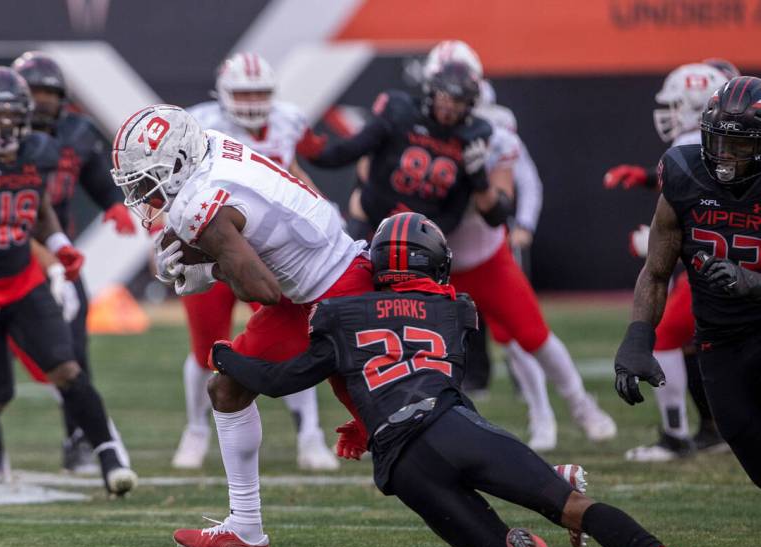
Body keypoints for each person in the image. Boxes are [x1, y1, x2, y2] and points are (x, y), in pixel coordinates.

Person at [192, 212, 742, 547]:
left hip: (404, 462)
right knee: (572, 507)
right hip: (455, 426)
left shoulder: (341, 314)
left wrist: (226, 358)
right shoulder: (456, 312)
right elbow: (428, 370)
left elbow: (286, 377)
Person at [302, 49, 616, 451]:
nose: (447, 104)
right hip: (418, 260)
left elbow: (500, 203)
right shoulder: (402, 114)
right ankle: (394, 423)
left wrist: (480, 178)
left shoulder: (492, 131)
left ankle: (581, 405)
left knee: (531, 334)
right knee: (398, 344)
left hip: (480, 253)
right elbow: (368, 169)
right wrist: (375, 199)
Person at [110, 103, 373, 547]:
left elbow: (264, 290)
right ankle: (246, 528)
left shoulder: (197, 203)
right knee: (228, 389)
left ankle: (521, 477)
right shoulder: (211, 146)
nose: (141, 192)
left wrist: (208, 271)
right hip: (330, 269)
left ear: (174, 165)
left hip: (329, 291)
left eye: (145, 178)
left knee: (403, 431)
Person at [0, 66, 136, 495]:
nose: (7, 125)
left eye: (14, 115)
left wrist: (57, 246)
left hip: (20, 278)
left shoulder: (38, 149)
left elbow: (37, 207)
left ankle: (110, 456)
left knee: (66, 367)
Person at [175, 52, 337, 471]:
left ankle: (310, 434)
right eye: (243, 93)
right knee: (203, 349)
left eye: (259, 92)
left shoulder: (286, 121)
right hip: (211, 245)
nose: (251, 101)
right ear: (223, 93)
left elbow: (293, 171)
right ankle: (195, 430)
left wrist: (320, 205)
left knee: (294, 342)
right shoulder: (198, 123)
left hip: (269, 253)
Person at [615, 75, 761, 491]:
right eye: (718, 141)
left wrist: (752, 283)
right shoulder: (685, 174)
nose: (726, 156)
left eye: (741, 146)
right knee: (744, 438)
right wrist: (637, 338)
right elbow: (656, 270)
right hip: (719, 339)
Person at [11, 51, 137, 474]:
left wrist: (112, 206)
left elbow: (96, 176)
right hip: (5, 253)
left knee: (73, 352)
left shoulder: (77, 132)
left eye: (50, 92)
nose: (42, 100)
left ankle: (79, 439)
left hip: (56, 255)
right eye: (34, 91)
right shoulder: (3, 137)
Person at [606, 62, 731, 460]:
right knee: (699, 345)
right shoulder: (709, 143)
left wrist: (655, 244)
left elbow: (709, 208)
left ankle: (675, 435)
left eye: (677, 104)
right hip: (719, 260)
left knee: (664, 336)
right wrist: (646, 177)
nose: (669, 112)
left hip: (718, 262)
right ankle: (713, 428)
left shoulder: (692, 145)